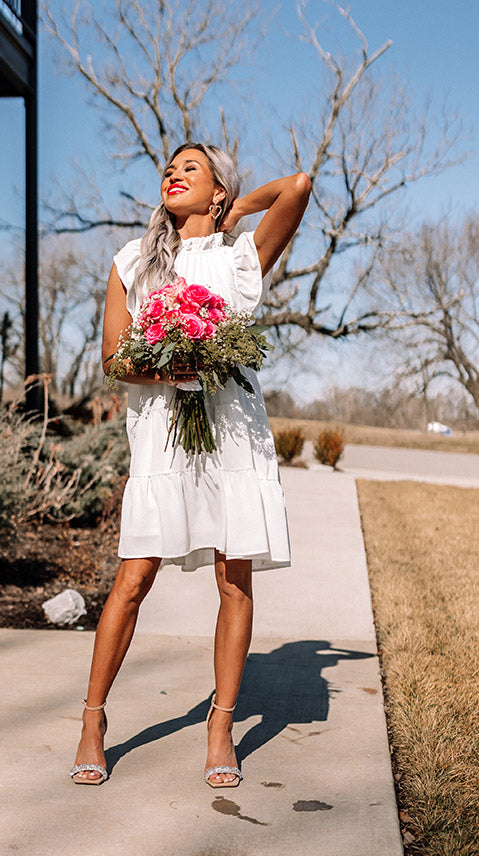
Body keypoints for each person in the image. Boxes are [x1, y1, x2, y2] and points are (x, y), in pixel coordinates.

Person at [70, 142, 311, 788]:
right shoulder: (132, 261)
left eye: (191, 168)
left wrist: (234, 213)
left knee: (235, 581)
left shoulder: (238, 258)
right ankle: (93, 719)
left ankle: (220, 725)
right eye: (169, 169)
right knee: (133, 579)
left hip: (233, 433)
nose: (173, 173)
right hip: (164, 436)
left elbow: (299, 186)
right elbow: (112, 358)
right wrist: (161, 365)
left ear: (216, 192)